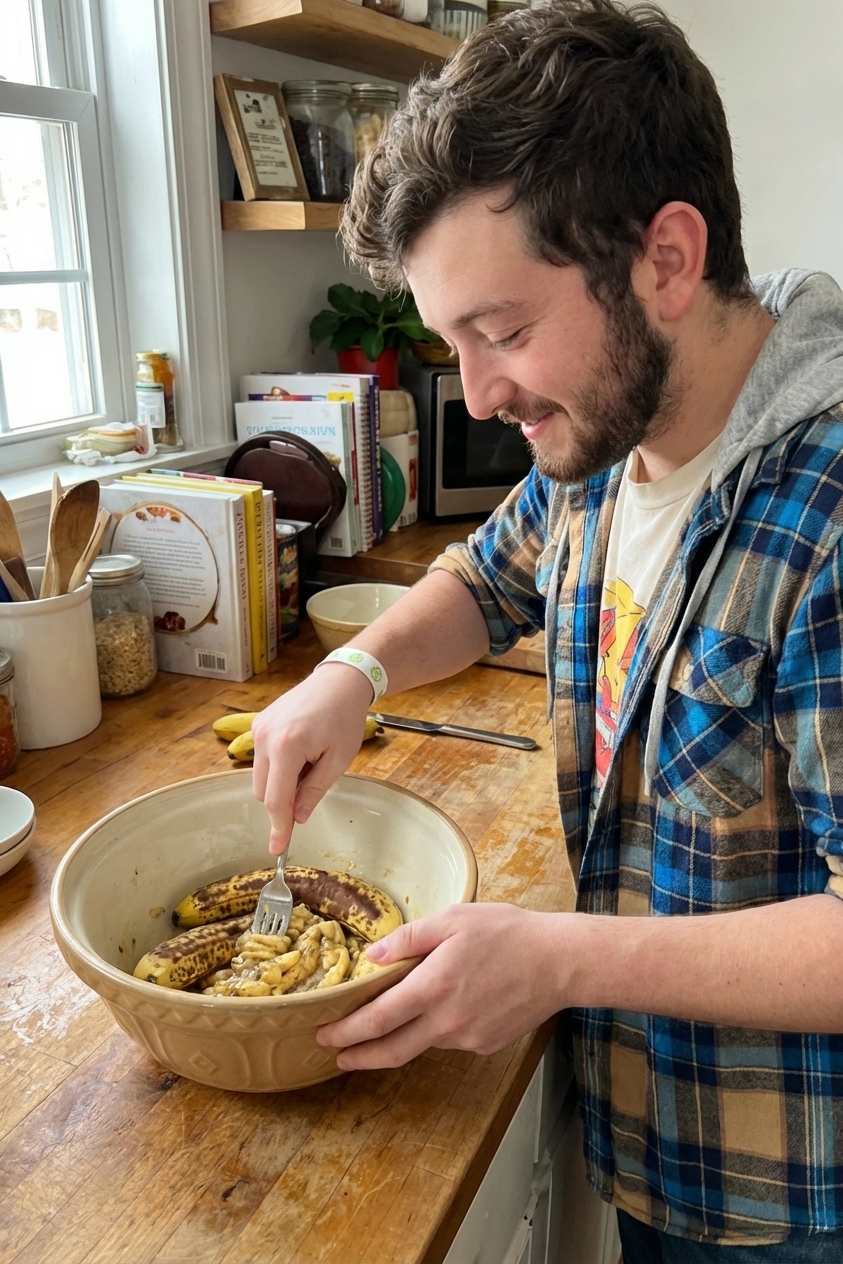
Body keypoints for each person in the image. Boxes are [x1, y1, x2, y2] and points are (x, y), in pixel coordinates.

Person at [252, 2, 843, 1256]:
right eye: (452, 342)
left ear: (667, 260)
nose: (479, 394)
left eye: (504, 331)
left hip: (791, 1190)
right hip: (656, 1128)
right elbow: (487, 576)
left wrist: (563, 960)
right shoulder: (601, 433)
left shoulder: (827, 515)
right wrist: (355, 671)